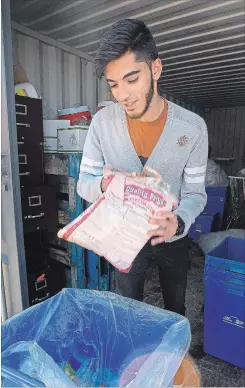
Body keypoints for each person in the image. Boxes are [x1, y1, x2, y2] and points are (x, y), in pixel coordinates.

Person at [77, 19, 208, 316]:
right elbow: (84, 181)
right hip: (124, 236)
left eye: (132, 79)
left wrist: (180, 220)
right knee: (127, 307)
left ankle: (174, 354)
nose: (122, 94)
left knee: (175, 305)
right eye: (114, 84)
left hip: (172, 236)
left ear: (155, 69)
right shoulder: (102, 124)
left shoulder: (193, 128)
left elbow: (196, 193)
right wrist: (105, 185)